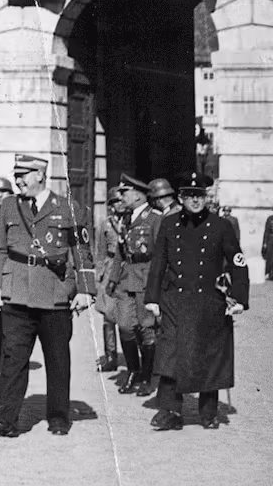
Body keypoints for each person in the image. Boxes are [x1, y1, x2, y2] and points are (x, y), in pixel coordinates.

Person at [0, 154, 96, 437]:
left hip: (54, 293)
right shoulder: (9, 206)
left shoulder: (68, 207)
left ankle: (58, 417)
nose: (18, 180)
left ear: (40, 175)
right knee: (13, 357)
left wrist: (86, 290)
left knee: (57, 359)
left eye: (23, 175)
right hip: (16, 293)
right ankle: (6, 418)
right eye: (16, 175)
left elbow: (82, 251)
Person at [145, 173, 248, 430]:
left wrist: (239, 299)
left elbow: (238, 262)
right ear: (180, 198)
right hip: (174, 300)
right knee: (169, 354)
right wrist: (152, 298)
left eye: (200, 196)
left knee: (207, 356)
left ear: (206, 198)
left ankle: (208, 413)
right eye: (189, 196)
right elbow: (158, 263)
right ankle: (169, 411)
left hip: (208, 301)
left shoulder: (221, 226)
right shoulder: (169, 224)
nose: (195, 200)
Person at [109, 174, 161, 396]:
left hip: (146, 278)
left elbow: (162, 254)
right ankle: (133, 370)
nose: (121, 197)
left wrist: (158, 285)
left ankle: (146, 377)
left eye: (125, 192)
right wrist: (112, 279)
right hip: (126, 278)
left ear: (138, 195)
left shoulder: (155, 218)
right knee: (124, 326)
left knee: (147, 328)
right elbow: (120, 253)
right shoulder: (125, 219)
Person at [94, 187, 126, 373]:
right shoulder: (105, 224)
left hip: (127, 268)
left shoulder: (131, 221)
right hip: (109, 268)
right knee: (108, 315)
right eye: (115, 202)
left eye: (121, 201)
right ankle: (111, 357)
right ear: (111, 206)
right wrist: (98, 275)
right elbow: (100, 250)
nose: (119, 205)